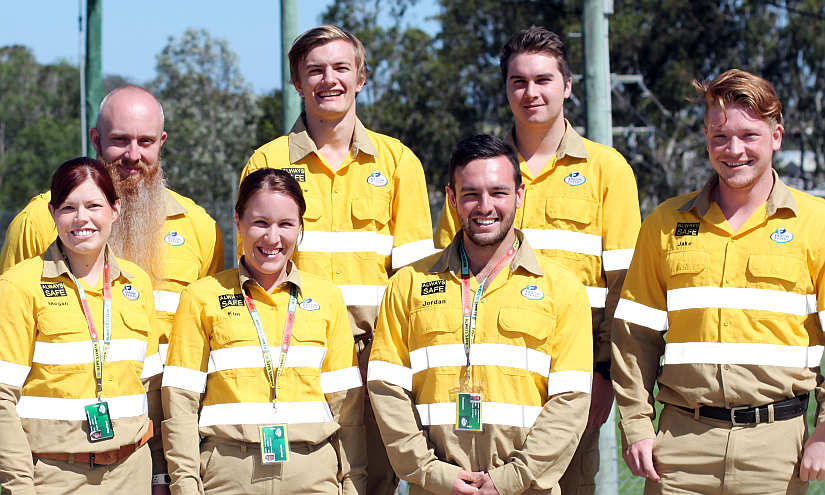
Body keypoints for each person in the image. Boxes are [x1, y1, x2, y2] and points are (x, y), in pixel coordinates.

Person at [434, 26, 641, 494]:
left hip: (573, 381)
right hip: (487, 380)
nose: (531, 92)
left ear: (567, 85)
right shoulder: (481, 171)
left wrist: (604, 373)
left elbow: (624, 287)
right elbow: (451, 278)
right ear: (506, 87)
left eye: (544, 79)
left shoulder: (607, 170)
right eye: (518, 81)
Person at [240, 24, 435, 495]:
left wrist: (387, 360)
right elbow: (257, 271)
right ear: (297, 82)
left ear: (361, 78)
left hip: (377, 359)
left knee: (377, 482)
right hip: (295, 356)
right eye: (315, 70)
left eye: (341, 68)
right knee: (302, 479)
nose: (329, 79)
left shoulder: (398, 162)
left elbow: (412, 280)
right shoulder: (266, 162)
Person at [0, 85, 225, 491]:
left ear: (162, 142)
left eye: (145, 142)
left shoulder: (200, 228)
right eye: (120, 140)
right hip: (52, 463)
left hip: (148, 457)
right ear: (96, 140)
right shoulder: (34, 223)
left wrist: (169, 470)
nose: (133, 155)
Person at [613, 69, 825, 494]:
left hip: (777, 448)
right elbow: (634, 336)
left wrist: (824, 431)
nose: (733, 150)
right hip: (677, 447)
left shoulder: (816, 224)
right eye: (719, 136)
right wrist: (636, 423)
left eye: (749, 135)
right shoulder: (664, 224)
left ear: (776, 136)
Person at [368, 135, 593, 495]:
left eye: (499, 192)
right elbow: (387, 389)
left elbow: (570, 400)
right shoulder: (408, 285)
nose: (484, 206)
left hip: (525, 488)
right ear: (452, 198)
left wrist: (511, 479)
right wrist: (431, 473)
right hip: (436, 487)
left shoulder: (562, 289)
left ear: (520, 195)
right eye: (471, 193)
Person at [161, 168, 365, 495]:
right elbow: (180, 404)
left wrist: (353, 485)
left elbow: (348, 407)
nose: (272, 238)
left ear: (300, 228)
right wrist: (185, 485)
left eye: (286, 224)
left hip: (312, 475)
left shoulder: (327, 297)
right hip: (228, 475)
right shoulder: (200, 297)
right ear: (238, 222)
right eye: (260, 223)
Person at [0, 157, 163, 494]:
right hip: (53, 476)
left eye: (93, 205)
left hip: (132, 474)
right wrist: (19, 486)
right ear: (52, 213)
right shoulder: (18, 286)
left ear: (115, 210)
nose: (82, 218)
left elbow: (152, 390)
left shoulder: (138, 283)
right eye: (68, 207)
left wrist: (160, 475)